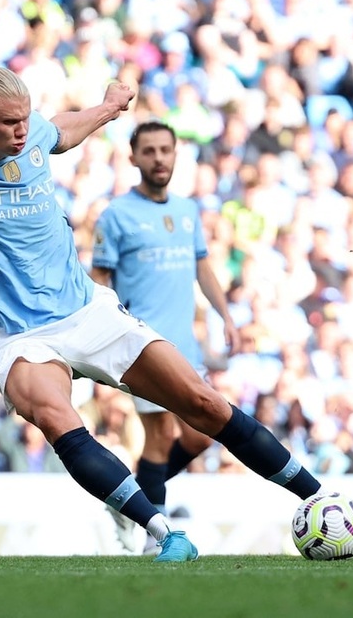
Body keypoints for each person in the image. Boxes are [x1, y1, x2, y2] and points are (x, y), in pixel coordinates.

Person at [0, 66, 353, 561]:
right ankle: (164, 535)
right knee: (57, 416)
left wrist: (108, 106)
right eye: (8, 122)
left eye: (24, 119)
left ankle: (331, 503)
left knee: (203, 404)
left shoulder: (32, 134)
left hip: (86, 310)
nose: (21, 131)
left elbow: (62, 131)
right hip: (20, 336)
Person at [90, 120, 241, 554]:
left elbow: (202, 266)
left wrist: (226, 316)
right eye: (150, 151)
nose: (159, 158)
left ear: (176, 155)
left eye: (165, 150)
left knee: (199, 436)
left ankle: (129, 502)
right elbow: (100, 278)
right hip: (142, 348)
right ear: (134, 158)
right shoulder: (116, 215)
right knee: (158, 438)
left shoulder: (188, 210)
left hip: (185, 348)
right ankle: (156, 541)